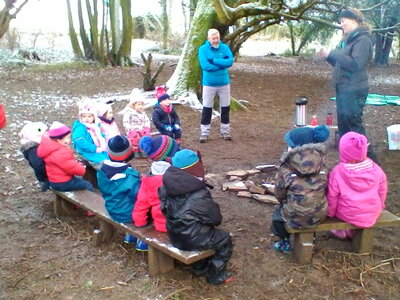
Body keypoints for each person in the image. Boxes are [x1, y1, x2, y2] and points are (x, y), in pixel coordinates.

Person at [159, 149, 233, 285]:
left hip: (174, 234)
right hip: (191, 239)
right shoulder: (198, 194)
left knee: (200, 231)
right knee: (224, 238)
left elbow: (164, 209)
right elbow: (216, 219)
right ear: (195, 169)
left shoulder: (166, 186)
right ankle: (217, 275)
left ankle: (199, 267)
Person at [318, 8, 377, 162]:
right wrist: (328, 56)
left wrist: (334, 53)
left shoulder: (363, 40)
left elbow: (355, 65)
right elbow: (342, 65)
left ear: (354, 20)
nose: (341, 24)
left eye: (343, 21)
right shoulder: (350, 39)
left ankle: (372, 163)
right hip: (344, 89)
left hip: (354, 89)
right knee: (345, 128)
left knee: (354, 127)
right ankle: (350, 161)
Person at [271, 125, 330, 253]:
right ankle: (312, 240)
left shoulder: (286, 168)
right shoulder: (323, 165)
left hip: (294, 215)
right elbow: (326, 188)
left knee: (277, 216)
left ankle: (284, 242)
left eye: (289, 145)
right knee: (312, 207)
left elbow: (279, 194)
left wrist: (285, 201)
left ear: (296, 148)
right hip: (319, 213)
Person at [327, 132, 387, 239]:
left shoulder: (338, 172)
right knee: (359, 212)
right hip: (372, 211)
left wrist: (330, 213)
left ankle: (345, 231)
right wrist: (381, 205)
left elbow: (332, 195)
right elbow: (382, 190)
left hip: (348, 213)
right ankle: (351, 231)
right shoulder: (376, 169)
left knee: (348, 212)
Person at [96, 135, 147, 251]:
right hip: (127, 214)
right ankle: (142, 240)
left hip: (111, 208)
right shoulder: (129, 176)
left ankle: (131, 236)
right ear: (129, 154)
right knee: (150, 209)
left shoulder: (101, 172)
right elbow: (138, 196)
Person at [198, 28, 234, 143]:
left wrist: (214, 60)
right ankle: (204, 132)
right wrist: (221, 64)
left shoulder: (225, 48)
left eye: (217, 38)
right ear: (208, 39)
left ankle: (225, 131)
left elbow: (230, 62)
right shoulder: (203, 49)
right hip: (209, 84)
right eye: (213, 38)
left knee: (225, 108)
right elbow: (205, 66)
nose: (215, 40)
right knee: (207, 108)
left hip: (224, 83)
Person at [37, 121, 93, 193]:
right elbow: (73, 168)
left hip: (53, 179)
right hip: (62, 182)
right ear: (59, 140)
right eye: (68, 138)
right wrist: (81, 168)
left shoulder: (50, 148)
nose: (69, 140)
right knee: (87, 185)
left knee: (78, 181)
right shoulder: (61, 152)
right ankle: (85, 203)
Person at [132, 161, 171, 232]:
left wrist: (139, 222)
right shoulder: (176, 181)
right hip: (179, 224)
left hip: (160, 224)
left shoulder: (147, 182)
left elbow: (141, 203)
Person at [72, 100, 109, 168]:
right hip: (86, 151)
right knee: (102, 162)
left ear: (93, 117)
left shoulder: (94, 126)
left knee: (109, 158)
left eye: (89, 116)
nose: (87, 118)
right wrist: (94, 148)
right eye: (84, 116)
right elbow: (79, 141)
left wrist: (103, 139)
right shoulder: (80, 128)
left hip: (97, 149)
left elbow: (100, 135)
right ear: (81, 117)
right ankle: (103, 175)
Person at [19, 121, 49, 191]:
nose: (48, 134)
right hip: (47, 175)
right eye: (45, 133)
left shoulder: (35, 149)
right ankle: (45, 182)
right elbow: (38, 165)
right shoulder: (34, 151)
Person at [123, 88, 151, 157]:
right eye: (139, 104)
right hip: (133, 130)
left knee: (145, 138)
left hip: (142, 129)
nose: (141, 106)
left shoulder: (143, 113)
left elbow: (146, 120)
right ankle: (135, 151)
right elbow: (126, 122)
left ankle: (143, 150)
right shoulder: (128, 113)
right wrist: (131, 129)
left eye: (142, 104)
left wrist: (146, 127)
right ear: (133, 105)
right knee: (135, 139)